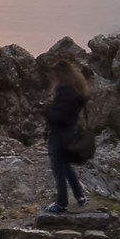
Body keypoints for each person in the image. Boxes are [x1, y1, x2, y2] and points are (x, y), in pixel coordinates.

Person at [41, 62, 90, 213]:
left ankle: (61, 204)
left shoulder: (65, 92)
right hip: (69, 133)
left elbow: (60, 117)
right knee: (66, 166)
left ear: (62, 75)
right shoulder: (76, 90)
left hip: (59, 135)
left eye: (56, 75)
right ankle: (80, 196)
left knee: (58, 169)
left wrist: (44, 111)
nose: (54, 79)